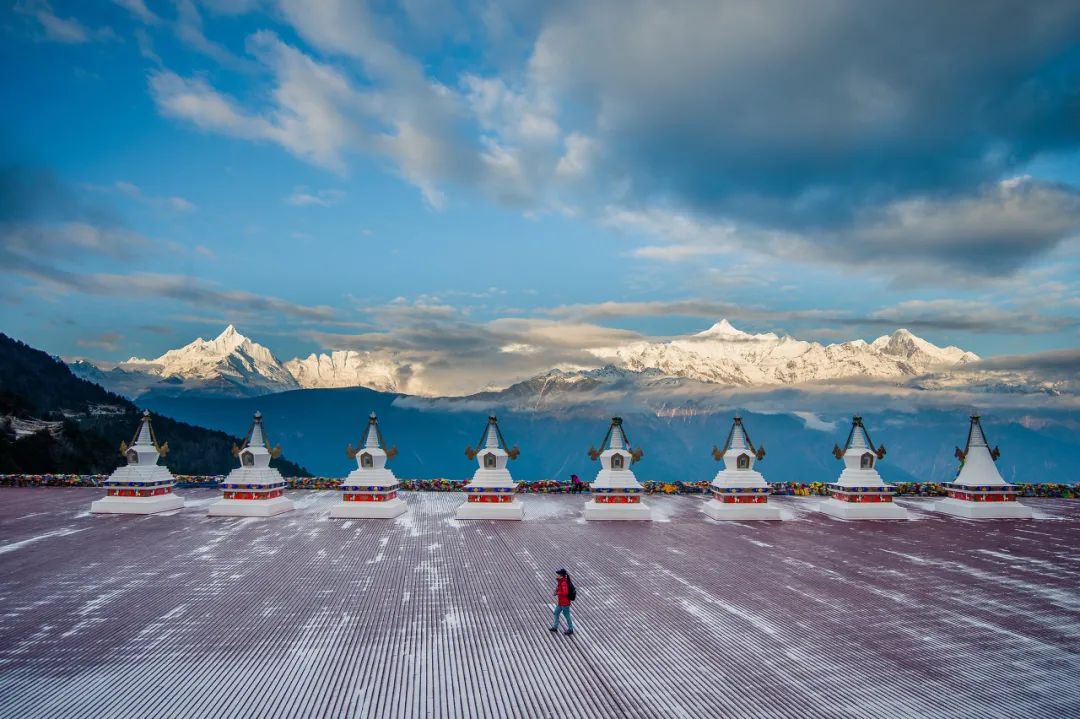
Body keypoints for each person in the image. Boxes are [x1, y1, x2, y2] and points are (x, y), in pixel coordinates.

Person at [549, 568, 575, 635]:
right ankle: (555, 627)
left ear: (561, 576)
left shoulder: (563, 583)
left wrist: (558, 593)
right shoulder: (561, 581)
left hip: (565, 603)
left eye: (558, 574)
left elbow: (565, 593)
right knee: (556, 613)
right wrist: (557, 590)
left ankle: (570, 629)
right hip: (561, 602)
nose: (557, 575)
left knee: (567, 615)